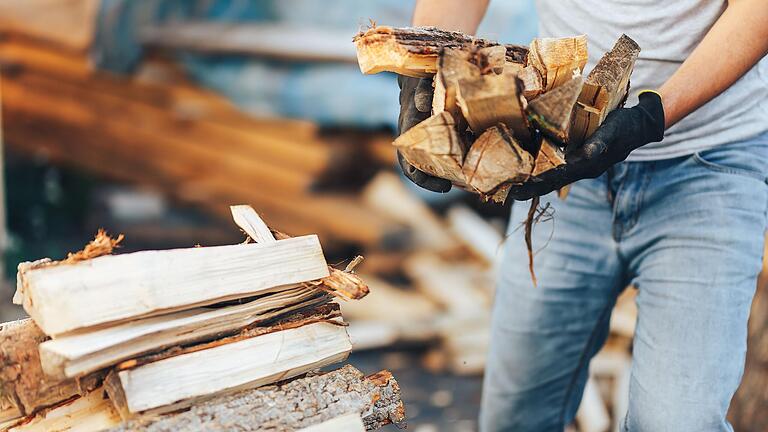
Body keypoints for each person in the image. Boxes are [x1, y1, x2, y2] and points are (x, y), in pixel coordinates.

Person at [397, 1, 768, 431]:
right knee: (516, 416)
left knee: (678, 422)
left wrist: (652, 117)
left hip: (708, 164)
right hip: (563, 161)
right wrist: (423, 77)